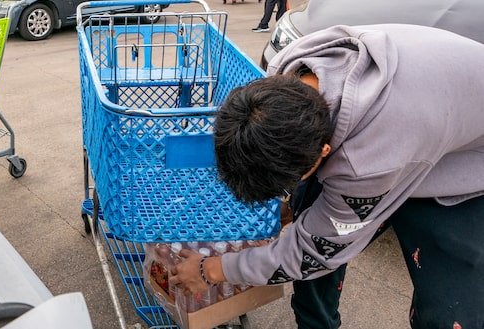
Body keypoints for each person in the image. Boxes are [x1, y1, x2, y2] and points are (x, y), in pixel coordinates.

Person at [168, 24, 484, 328]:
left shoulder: (367, 163)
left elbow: (311, 252)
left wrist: (212, 269)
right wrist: (289, 205)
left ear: (324, 151)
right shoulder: (289, 72)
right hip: (421, 116)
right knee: (311, 225)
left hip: (466, 161)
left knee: (449, 316)